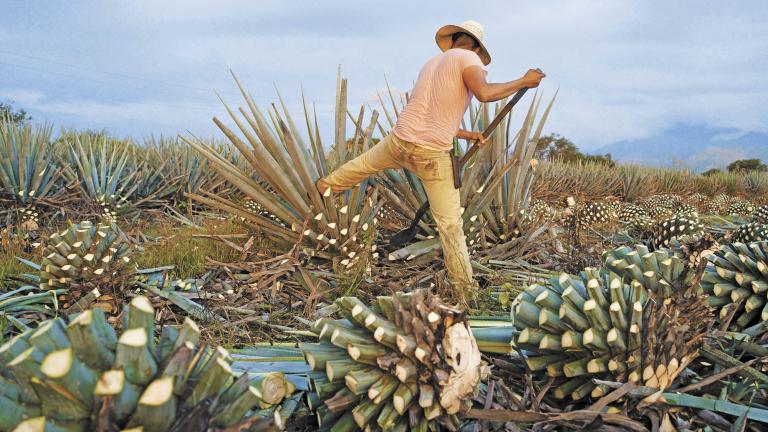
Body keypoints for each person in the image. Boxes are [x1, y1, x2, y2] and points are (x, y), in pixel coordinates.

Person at [317, 20, 545, 299]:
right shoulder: (469, 58)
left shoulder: (432, 63)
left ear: (456, 39)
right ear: (474, 44)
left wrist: (466, 133)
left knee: (361, 166)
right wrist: (524, 81)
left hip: (399, 140)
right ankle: (466, 293)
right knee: (450, 225)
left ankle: (320, 192)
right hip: (430, 153)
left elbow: (429, 112)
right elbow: (485, 94)